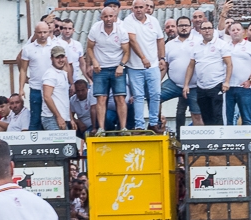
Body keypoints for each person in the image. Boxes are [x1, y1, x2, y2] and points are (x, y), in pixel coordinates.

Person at [86, 6, 131, 134]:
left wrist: (121, 65)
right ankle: (101, 128)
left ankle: (123, 128)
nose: (108, 19)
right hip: (100, 69)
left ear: (115, 17)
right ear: (102, 18)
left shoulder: (121, 30)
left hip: (117, 68)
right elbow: (89, 48)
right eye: (105, 16)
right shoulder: (95, 28)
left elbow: (127, 52)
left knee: (120, 98)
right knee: (101, 99)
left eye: (111, 16)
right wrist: (94, 61)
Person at [124, 0, 165, 132]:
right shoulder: (128, 21)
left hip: (152, 65)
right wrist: (143, 58)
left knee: (156, 94)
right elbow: (132, 40)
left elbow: (160, 39)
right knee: (138, 96)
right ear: (132, 9)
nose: (139, 10)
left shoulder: (153, 21)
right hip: (135, 67)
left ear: (146, 8)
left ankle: (153, 123)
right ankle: (139, 125)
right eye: (136, 7)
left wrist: (162, 58)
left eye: (141, 7)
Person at [184, 21, 231, 126]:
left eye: (209, 28)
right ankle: (210, 140)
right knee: (205, 115)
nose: (207, 30)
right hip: (201, 86)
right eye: (204, 28)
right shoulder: (196, 46)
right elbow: (191, 66)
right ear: (200, 31)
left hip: (216, 84)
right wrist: (186, 84)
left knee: (217, 114)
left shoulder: (221, 44)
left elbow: (229, 64)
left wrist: (227, 82)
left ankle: (219, 140)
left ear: (213, 30)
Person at [161, 16, 201, 128]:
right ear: (177, 27)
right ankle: (158, 124)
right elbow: (165, 66)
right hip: (174, 84)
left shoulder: (199, 42)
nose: (184, 28)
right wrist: (156, 83)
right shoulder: (169, 45)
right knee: (155, 96)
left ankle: (199, 142)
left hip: (194, 86)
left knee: (197, 115)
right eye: (181, 25)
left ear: (191, 27)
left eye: (186, 25)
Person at [20, 22, 58, 131]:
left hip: (53, 89)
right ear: (35, 33)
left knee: (53, 117)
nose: (42, 35)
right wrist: (21, 88)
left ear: (49, 32)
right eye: (40, 32)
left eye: (45, 32)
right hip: (36, 88)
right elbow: (23, 69)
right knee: (35, 118)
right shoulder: (28, 49)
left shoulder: (56, 46)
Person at [226, 22, 251, 126]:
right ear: (229, 32)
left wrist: (250, 81)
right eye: (233, 30)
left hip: (244, 88)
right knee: (229, 118)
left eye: (238, 29)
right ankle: (230, 141)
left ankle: (248, 141)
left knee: (247, 118)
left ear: (243, 32)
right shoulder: (225, 46)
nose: (235, 31)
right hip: (228, 88)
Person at [42, 46, 75, 131]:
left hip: (62, 118)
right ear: (51, 58)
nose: (60, 60)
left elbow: (64, 99)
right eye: (57, 57)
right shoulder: (50, 74)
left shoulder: (63, 73)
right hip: (52, 118)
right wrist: (58, 117)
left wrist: (71, 118)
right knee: (58, 144)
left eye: (62, 57)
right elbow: (47, 97)